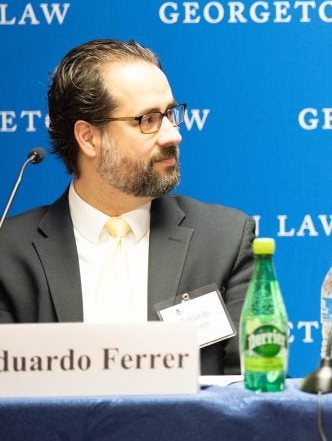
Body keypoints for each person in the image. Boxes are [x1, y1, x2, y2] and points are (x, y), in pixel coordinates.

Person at [0, 39, 255, 374]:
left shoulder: (224, 240)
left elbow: (252, 393)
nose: (172, 135)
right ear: (88, 137)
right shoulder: (10, 253)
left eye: (170, 114)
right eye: (147, 120)